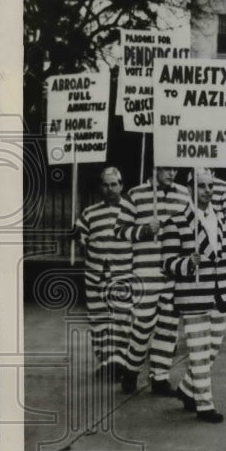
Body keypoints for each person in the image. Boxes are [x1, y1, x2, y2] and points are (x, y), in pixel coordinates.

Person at [160, 170, 226, 423]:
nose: (207, 190)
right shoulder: (176, 222)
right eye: (202, 186)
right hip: (192, 295)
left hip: (219, 294)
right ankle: (204, 404)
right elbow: (167, 263)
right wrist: (186, 264)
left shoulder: (222, 220)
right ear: (192, 189)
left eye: (211, 186)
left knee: (212, 350)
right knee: (199, 353)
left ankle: (186, 389)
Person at [114, 166, 190, 395]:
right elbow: (119, 230)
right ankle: (131, 369)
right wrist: (145, 230)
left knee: (168, 325)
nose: (171, 173)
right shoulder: (136, 194)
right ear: (156, 168)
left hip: (173, 270)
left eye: (174, 169)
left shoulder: (184, 194)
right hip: (145, 270)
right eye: (167, 169)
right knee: (143, 324)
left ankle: (160, 377)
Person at [75, 166, 133, 380]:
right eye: (106, 185)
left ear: (121, 185)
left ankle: (120, 361)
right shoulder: (91, 212)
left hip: (122, 271)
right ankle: (106, 361)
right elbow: (79, 230)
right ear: (101, 186)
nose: (110, 189)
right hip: (95, 273)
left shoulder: (131, 210)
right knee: (99, 319)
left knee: (122, 318)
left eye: (114, 184)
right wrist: (80, 237)